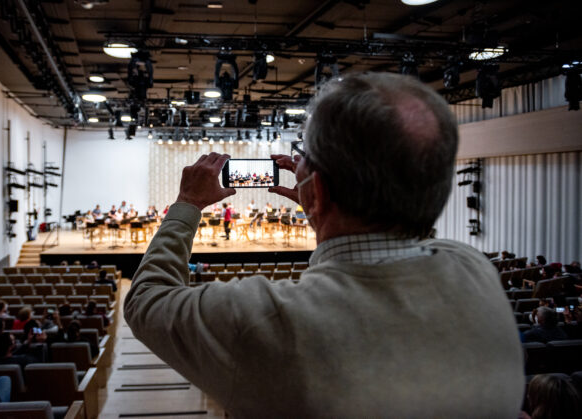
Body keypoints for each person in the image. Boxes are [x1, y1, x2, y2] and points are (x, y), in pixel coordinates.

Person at [124, 73, 524, 417]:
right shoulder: (478, 272)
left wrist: (188, 203)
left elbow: (145, 299)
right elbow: (413, 233)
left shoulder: (262, 321)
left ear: (314, 189)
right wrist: (322, 206)